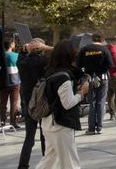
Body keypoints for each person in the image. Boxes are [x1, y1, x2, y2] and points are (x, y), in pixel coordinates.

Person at [36, 40, 88, 169]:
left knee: (49, 159)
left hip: (48, 122)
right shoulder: (63, 77)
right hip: (60, 125)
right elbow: (68, 103)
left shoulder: (50, 70)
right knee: (70, 163)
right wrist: (81, 94)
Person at [18, 38, 51, 169]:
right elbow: (63, 56)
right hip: (43, 101)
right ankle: (46, 163)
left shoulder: (22, 62)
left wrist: (25, 48)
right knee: (45, 136)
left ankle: (22, 165)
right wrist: (46, 47)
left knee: (29, 138)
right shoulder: (45, 62)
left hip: (28, 102)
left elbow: (21, 55)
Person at [76, 32, 112, 135]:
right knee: (100, 102)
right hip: (103, 77)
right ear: (102, 39)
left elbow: (79, 64)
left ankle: (91, 128)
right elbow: (110, 64)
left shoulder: (84, 50)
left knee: (92, 103)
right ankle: (99, 127)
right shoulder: (105, 50)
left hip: (89, 78)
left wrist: (87, 71)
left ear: (92, 39)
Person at [0, 39, 22, 130]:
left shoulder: (1, 56)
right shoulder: (16, 55)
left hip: (3, 81)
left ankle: (2, 120)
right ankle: (13, 122)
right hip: (15, 81)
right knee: (14, 103)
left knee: (3, 103)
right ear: (11, 45)